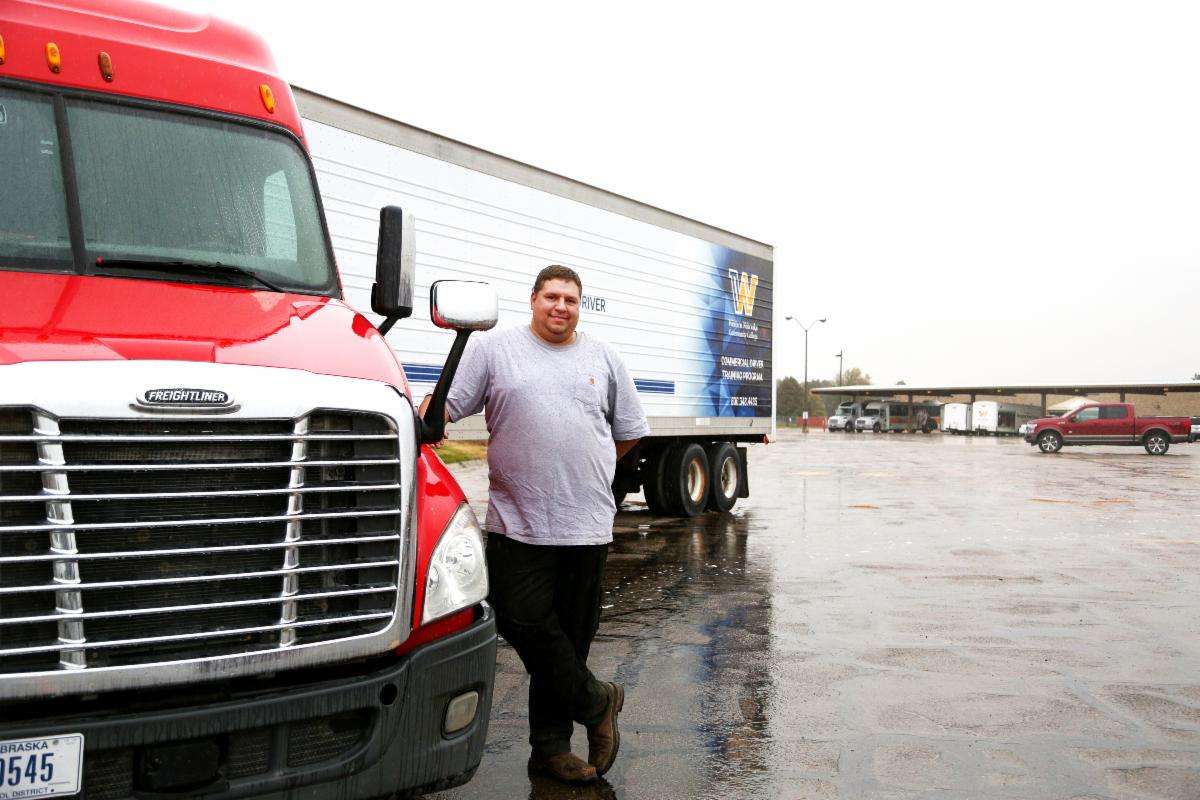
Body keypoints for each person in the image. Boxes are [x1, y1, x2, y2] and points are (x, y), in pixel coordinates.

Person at [427, 264, 650, 784]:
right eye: (552, 296)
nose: (561, 307)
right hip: (517, 521)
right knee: (520, 619)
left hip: (587, 524)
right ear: (533, 300)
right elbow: (445, 413)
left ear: (579, 306)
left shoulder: (603, 357)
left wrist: (584, 465)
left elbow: (629, 431)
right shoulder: (493, 350)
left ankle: (551, 749)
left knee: (570, 642)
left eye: (571, 299)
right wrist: (426, 407)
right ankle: (598, 701)